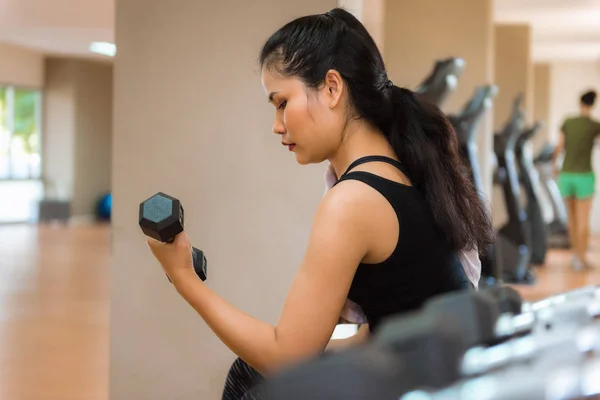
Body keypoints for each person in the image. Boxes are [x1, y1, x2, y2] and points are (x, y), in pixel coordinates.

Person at [146, 7, 493, 399]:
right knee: (249, 373)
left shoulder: (353, 202)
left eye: (281, 103)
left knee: (257, 383)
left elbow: (288, 359)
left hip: (425, 386)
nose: (277, 125)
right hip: (428, 372)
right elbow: (383, 329)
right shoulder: (397, 172)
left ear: (331, 88)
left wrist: (185, 280)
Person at [554, 90, 600, 270]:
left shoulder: (568, 121)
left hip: (567, 174)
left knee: (571, 220)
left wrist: (554, 166)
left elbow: (559, 147)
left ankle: (575, 257)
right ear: (593, 104)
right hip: (584, 176)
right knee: (583, 220)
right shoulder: (594, 125)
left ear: (580, 102)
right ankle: (581, 258)